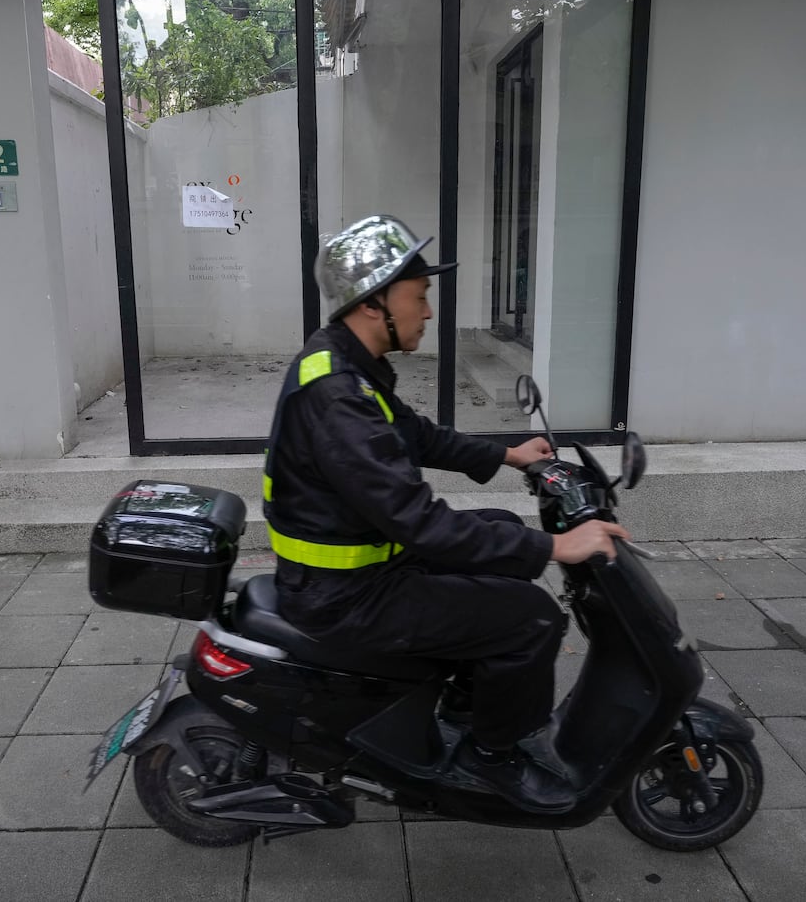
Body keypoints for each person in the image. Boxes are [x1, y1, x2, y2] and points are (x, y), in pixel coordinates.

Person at [261, 215, 628, 813]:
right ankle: (494, 754)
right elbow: (419, 521)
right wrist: (556, 549)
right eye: (420, 295)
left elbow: (416, 436)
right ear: (375, 301)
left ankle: (463, 702)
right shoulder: (339, 397)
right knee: (531, 619)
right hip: (345, 595)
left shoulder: (345, 367)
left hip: (363, 568)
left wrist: (508, 454)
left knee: (504, 531)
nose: (428, 312)